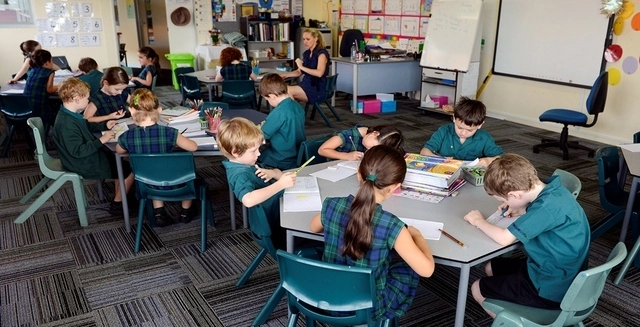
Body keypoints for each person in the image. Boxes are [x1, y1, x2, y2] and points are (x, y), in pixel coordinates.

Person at [309, 145, 435, 320]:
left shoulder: (331, 205)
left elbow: (313, 227)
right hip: (368, 308)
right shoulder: (392, 226)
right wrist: (418, 236)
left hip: (327, 297)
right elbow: (427, 270)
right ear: (394, 187)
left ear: (358, 174)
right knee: (407, 269)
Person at [463, 153, 589, 317]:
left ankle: (514, 322)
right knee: (490, 267)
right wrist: (522, 209)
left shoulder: (545, 209)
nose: (505, 204)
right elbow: (540, 212)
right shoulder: (553, 190)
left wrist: (478, 221)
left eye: (506, 200)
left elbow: (504, 238)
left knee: (477, 288)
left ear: (515, 195)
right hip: (561, 269)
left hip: (552, 286)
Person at [51, 78, 134, 215]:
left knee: (119, 162)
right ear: (77, 98)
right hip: (81, 162)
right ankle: (118, 204)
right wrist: (101, 140)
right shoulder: (67, 124)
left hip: (82, 158)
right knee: (129, 167)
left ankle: (122, 196)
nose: (89, 101)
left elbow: (85, 126)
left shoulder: (69, 115)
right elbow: (78, 151)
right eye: (87, 99)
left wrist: (104, 125)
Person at [116, 89, 198, 227]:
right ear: (159, 110)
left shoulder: (127, 136)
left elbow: (119, 151)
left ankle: (159, 212)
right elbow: (193, 147)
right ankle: (185, 211)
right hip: (177, 181)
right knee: (187, 174)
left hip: (145, 184)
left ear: (131, 111)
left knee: (152, 173)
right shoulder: (169, 132)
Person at [217, 117, 297, 248]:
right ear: (236, 152)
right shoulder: (239, 174)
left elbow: (274, 176)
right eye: (254, 151)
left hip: (280, 213)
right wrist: (280, 184)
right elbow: (248, 200)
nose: (259, 153)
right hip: (278, 227)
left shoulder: (246, 165)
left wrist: (274, 173)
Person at [420, 96, 503, 167]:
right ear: (454, 118)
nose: (463, 133)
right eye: (459, 127)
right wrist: (439, 159)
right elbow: (424, 151)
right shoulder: (444, 131)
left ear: (480, 125)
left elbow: (501, 157)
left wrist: (489, 160)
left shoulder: (484, 138)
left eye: (469, 130)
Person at [257, 73, 306, 170]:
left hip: (282, 157)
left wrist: (261, 126)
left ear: (272, 96)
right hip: (299, 154)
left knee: (256, 155)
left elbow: (262, 135)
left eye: (267, 99)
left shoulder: (278, 112)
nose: (268, 102)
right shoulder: (297, 106)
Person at [280, 28, 331, 103]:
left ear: (316, 38)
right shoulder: (307, 53)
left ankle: (293, 113)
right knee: (282, 90)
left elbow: (319, 73)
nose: (305, 42)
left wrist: (301, 66)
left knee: (286, 91)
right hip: (305, 84)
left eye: (308, 39)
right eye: (304, 39)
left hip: (317, 88)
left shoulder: (322, 54)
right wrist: (284, 75)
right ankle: (291, 113)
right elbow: (299, 72)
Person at [318, 125, 405, 161]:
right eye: (368, 148)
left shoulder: (382, 142)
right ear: (375, 133)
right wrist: (346, 156)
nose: (368, 151)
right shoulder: (348, 135)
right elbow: (322, 150)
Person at [24, 49, 59, 133]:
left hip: (27, 106)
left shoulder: (32, 70)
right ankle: (46, 135)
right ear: (47, 62)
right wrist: (59, 86)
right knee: (55, 111)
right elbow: (50, 90)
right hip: (39, 106)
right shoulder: (49, 72)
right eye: (52, 60)